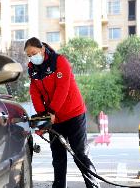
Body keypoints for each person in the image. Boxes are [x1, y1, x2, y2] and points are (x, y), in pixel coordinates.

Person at [24, 37, 100, 188]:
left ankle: (93, 185)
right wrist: (42, 117)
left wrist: (51, 112)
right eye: (29, 55)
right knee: (58, 157)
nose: (32, 57)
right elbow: (34, 92)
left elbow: (62, 89)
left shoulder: (59, 61)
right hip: (54, 120)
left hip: (73, 115)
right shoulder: (32, 69)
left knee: (80, 154)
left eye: (34, 53)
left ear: (42, 49)